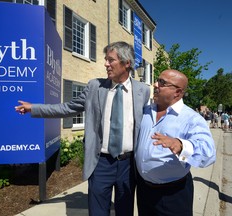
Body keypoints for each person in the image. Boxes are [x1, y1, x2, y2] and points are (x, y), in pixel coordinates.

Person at [15, 41, 150, 216]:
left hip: (128, 165)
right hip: (101, 162)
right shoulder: (95, 87)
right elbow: (67, 108)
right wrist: (34, 108)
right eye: (105, 60)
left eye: (111, 60)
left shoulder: (142, 91)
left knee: (125, 210)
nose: (105, 64)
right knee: (97, 211)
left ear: (127, 63)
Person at [135, 69, 216, 216]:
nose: (155, 84)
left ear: (177, 92)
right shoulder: (146, 110)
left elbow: (208, 154)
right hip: (143, 190)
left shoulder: (191, 118)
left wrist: (181, 146)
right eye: (157, 80)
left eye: (162, 82)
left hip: (172, 194)